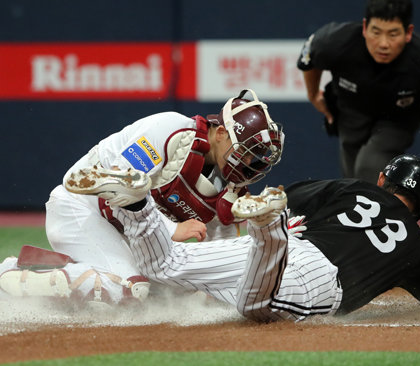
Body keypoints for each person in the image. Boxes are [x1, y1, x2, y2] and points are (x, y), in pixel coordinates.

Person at [8, 153, 420, 321]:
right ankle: (269, 230)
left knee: (161, 266)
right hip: (316, 281)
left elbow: (296, 193)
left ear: (382, 180)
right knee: (255, 307)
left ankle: (137, 203)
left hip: (290, 246)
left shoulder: (356, 190)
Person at [0, 89, 284, 307]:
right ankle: (11, 277)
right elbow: (119, 186)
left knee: (169, 298)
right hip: (83, 208)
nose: (249, 162)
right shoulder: (172, 130)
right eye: (246, 151)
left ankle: (46, 267)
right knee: (129, 289)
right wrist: (173, 229)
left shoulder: (228, 191)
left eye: (255, 157)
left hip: (123, 234)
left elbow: (216, 257)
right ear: (221, 132)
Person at [297, 0, 420, 183]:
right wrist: (313, 94)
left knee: (369, 165)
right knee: (352, 178)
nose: (383, 44)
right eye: (376, 32)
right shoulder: (335, 41)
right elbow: (309, 59)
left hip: (400, 117)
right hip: (351, 109)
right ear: (364, 28)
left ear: (408, 33)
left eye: (393, 34)